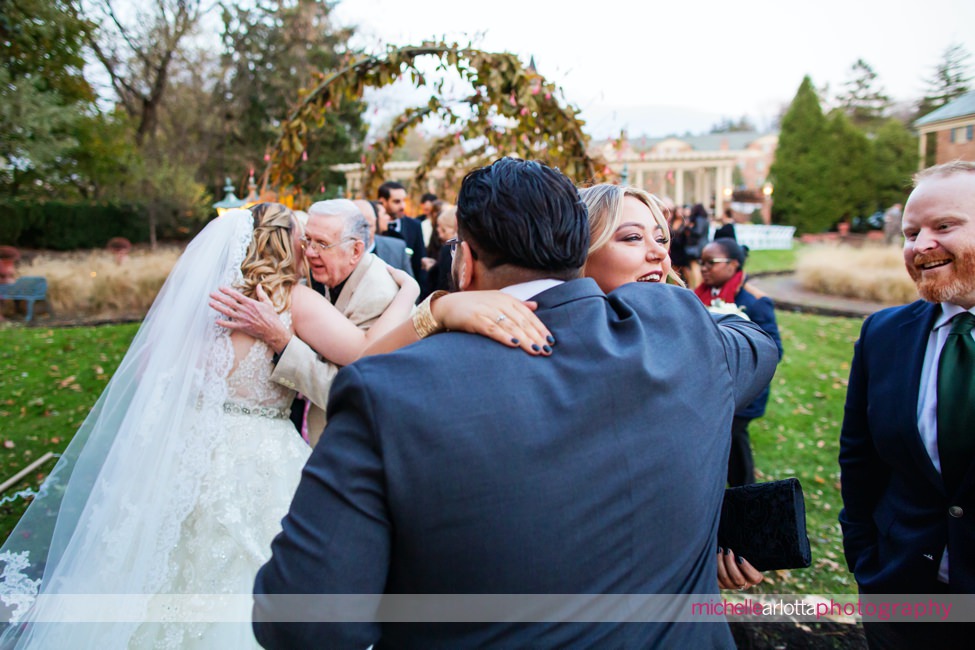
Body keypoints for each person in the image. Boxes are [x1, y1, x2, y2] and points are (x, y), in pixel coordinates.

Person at [253, 158, 779, 648]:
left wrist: (433, 313)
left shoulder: (390, 393)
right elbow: (757, 344)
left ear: (464, 262)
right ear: (581, 254)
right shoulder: (683, 333)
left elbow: (303, 620)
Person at [0, 202, 421, 648]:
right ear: (285, 245)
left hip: (192, 442)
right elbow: (363, 352)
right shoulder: (292, 300)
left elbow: (148, 370)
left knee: (169, 558)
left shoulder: (209, 295)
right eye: (305, 240)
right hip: (259, 452)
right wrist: (409, 294)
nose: (309, 251)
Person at [839, 161, 975, 649]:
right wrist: (864, 558)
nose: (920, 245)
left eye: (944, 227)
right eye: (911, 232)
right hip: (901, 599)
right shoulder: (883, 334)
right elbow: (859, 459)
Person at [693, 238, 783, 486]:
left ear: (733, 265)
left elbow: (773, 349)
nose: (703, 268)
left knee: (734, 438)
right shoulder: (697, 296)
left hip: (742, 390)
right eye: (701, 262)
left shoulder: (755, 302)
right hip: (709, 386)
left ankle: (744, 489)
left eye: (711, 263)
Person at [378, 181, 427, 292]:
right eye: (396, 201)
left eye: (404, 201)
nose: (402, 206)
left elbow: (419, 264)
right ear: (382, 201)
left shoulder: (414, 225)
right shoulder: (373, 227)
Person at [353, 198, 413, 277]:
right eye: (358, 227)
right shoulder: (339, 251)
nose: (364, 232)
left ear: (375, 221)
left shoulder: (397, 248)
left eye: (368, 226)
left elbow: (411, 284)